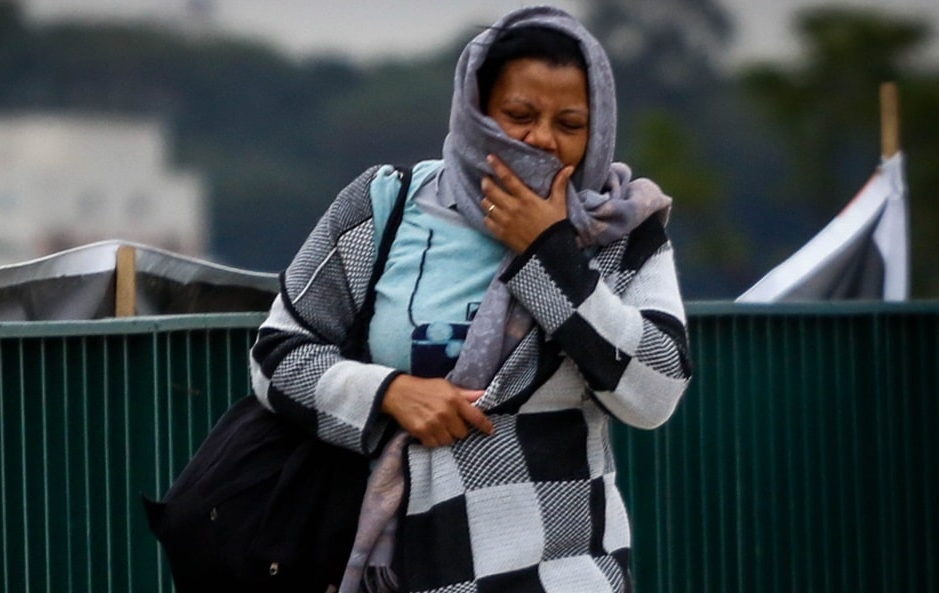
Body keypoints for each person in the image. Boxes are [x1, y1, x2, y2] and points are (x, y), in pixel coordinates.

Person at [250, 6, 691, 592]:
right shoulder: (387, 207)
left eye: (570, 122)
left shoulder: (623, 231)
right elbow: (277, 353)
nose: (543, 139)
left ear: (598, 129)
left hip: (563, 573)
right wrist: (389, 394)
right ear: (475, 111)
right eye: (519, 115)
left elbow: (656, 390)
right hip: (407, 566)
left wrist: (547, 249)